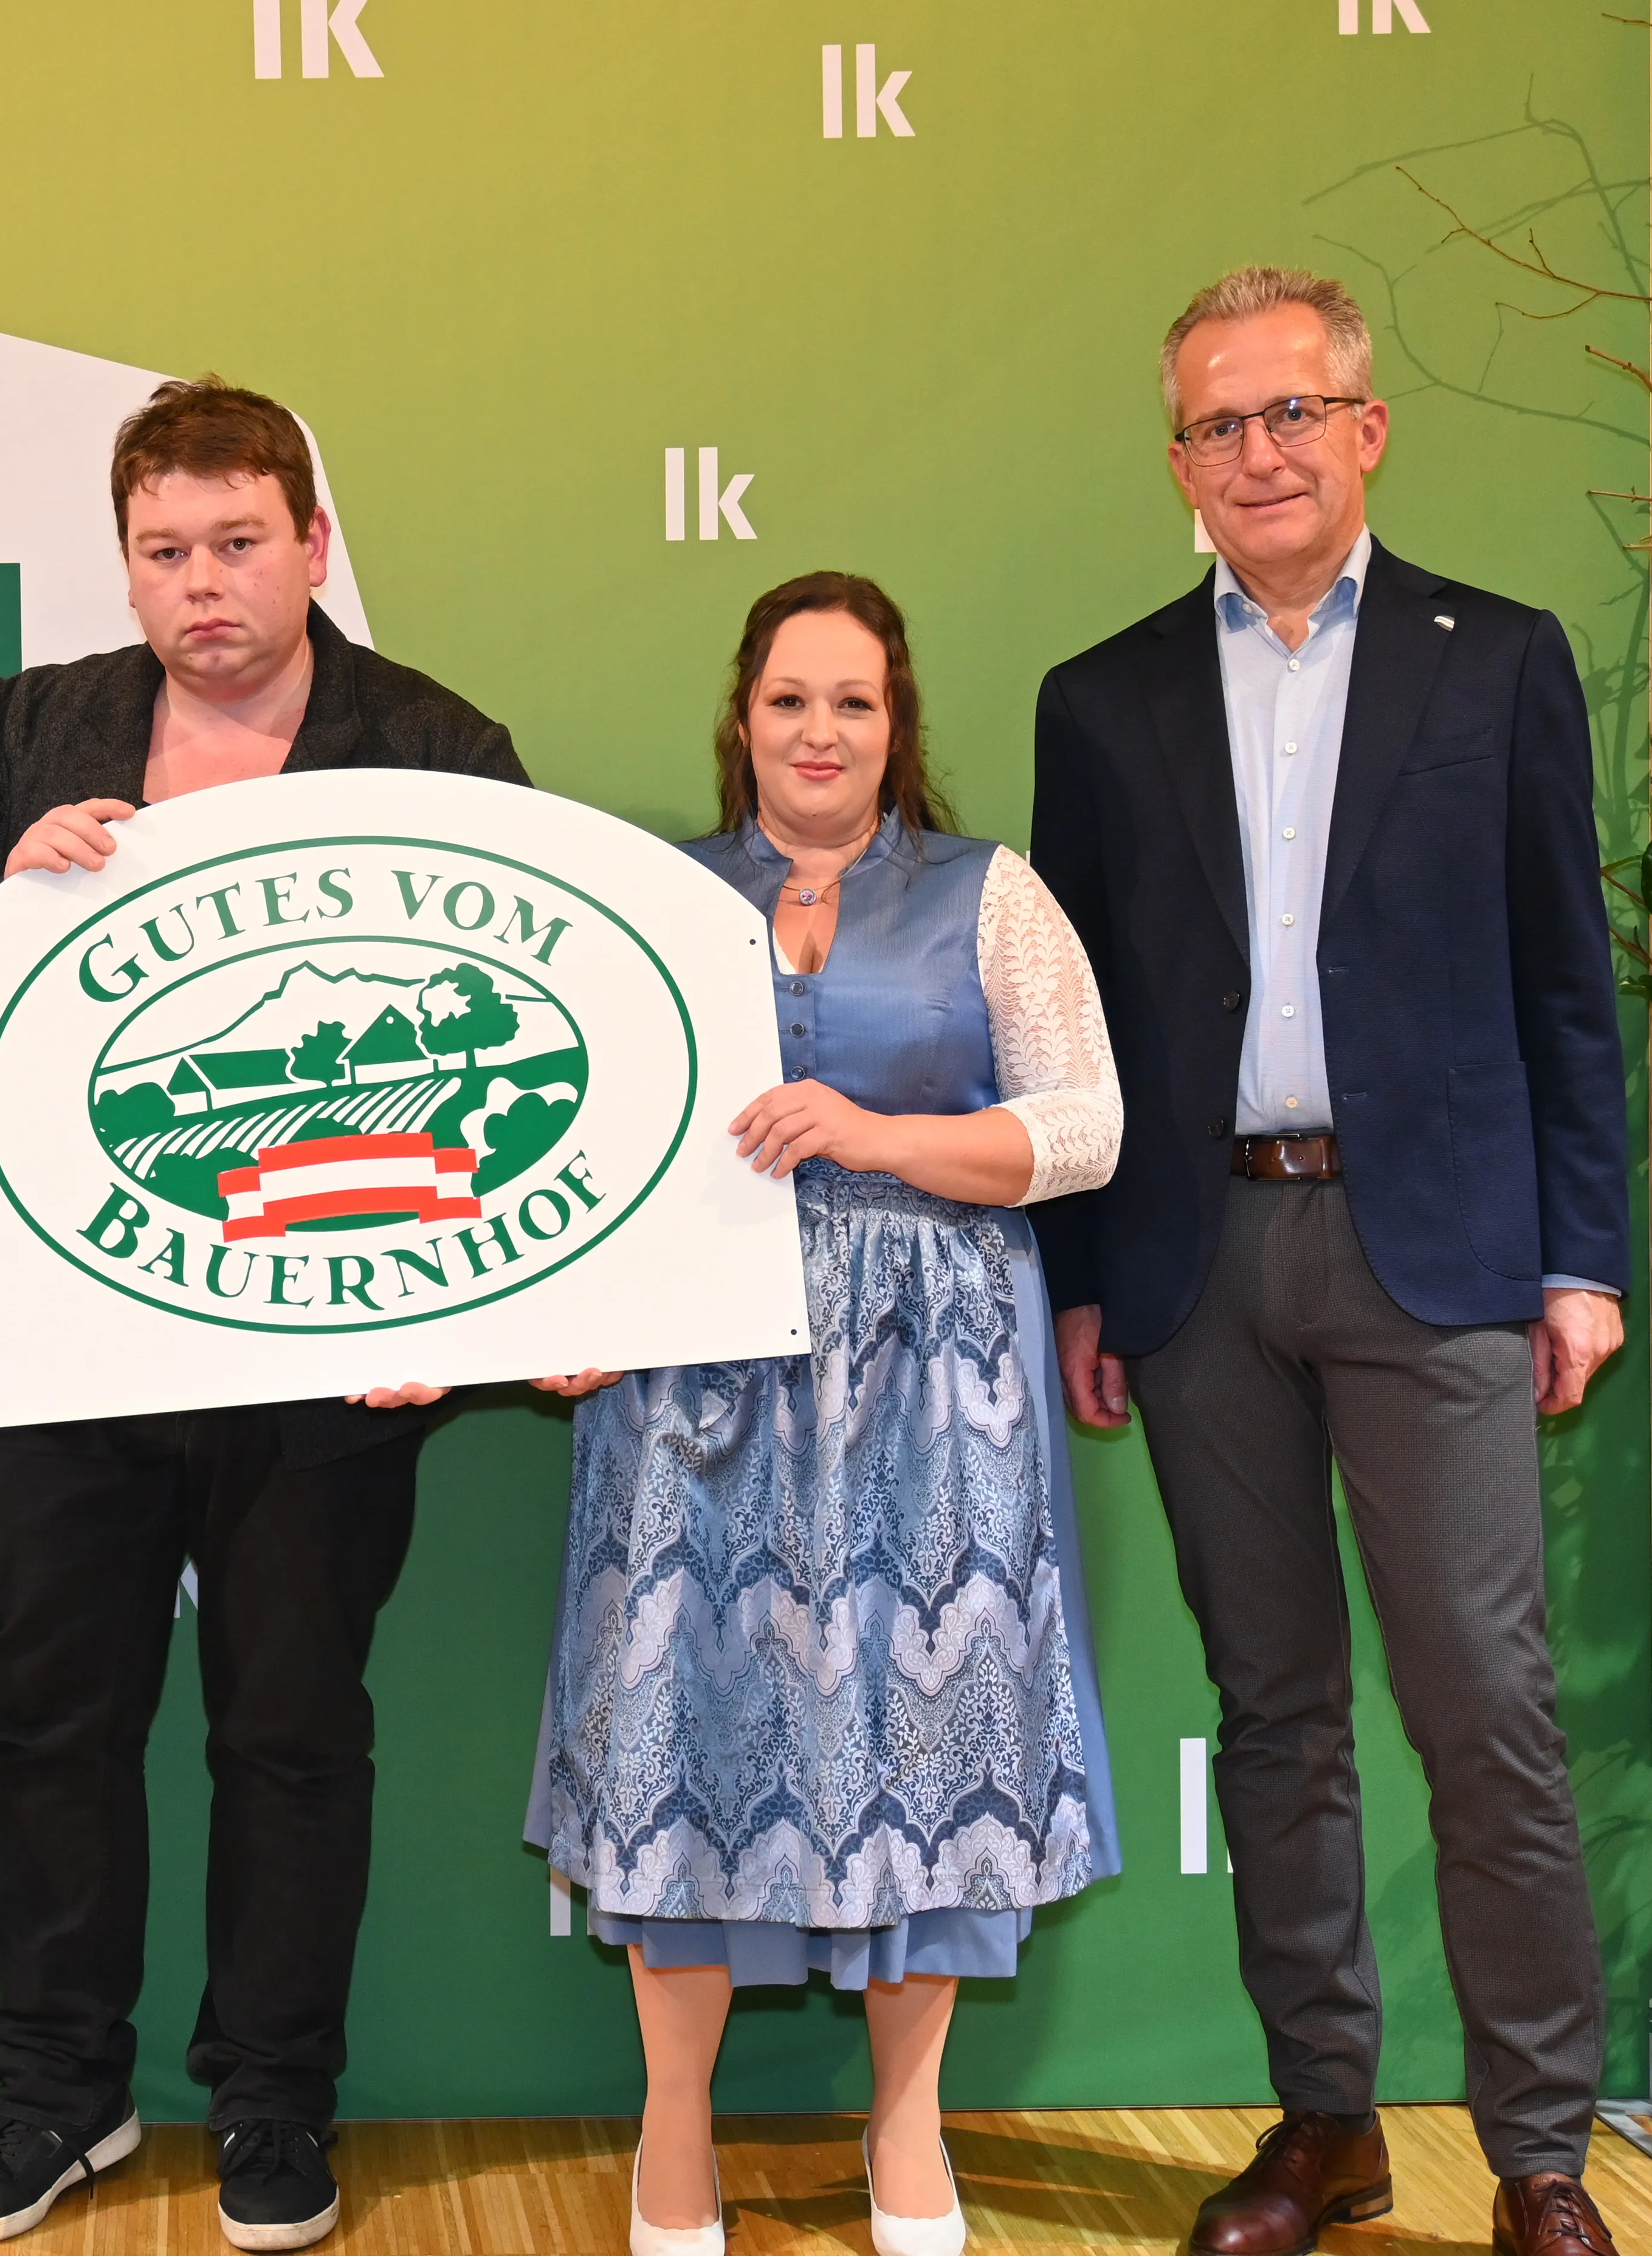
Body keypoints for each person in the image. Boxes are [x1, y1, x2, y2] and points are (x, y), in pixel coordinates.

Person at [0, 377, 526, 2253]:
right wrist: (5, 890)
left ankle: (271, 2102)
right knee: (54, 1722)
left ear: (313, 545)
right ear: (129, 563)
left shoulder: (435, 742)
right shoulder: (36, 725)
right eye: (167, 551)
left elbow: (521, 1021)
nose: (204, 584)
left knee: (294, 1726)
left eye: (241, 543)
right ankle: (58, 2097)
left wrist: (466, 1308)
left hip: (334, 1339)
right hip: (75, 1339)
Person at [1028, 268, 1631, 2256]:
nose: (1257, 453)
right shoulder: (1099, 701)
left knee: (1486, 1716)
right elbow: (1079, 1032)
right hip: (1202, 1260)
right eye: (1216, 424)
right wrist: (1085, 1282)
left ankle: (1541, 2152)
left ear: (1367, 429)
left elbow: (1568, 992)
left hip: (1440, 1254)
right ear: (1177, 459)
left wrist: (1585, 1261)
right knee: (1276, 1719)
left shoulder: (1501, 663)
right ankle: (1328, 2129)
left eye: (1293, 413)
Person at [528, 574, 1123, 2256]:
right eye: (790, 699)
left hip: (939, 1382)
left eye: (852, 702)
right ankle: (674, 2139)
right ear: (743, 719)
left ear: (895, 723)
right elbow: (579, 1139)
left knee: (924, 1744)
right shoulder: (651, 902)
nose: (819, 732)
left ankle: (909, 2134)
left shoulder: (990, 899)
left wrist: (871, 1135)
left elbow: (1083, 1128)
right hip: (694, 1383)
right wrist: (568, 1317)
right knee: (678, 1735)